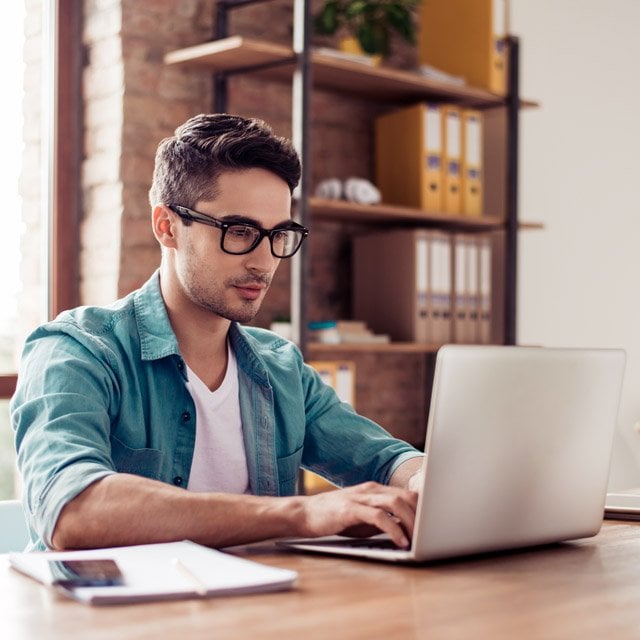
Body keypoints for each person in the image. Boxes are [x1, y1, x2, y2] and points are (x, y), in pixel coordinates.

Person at [11, 113, 423, 553]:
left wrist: (426, 480)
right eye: (240, 231)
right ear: (167, 226)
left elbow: (385, 459)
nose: (264, 262)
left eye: (279, 235)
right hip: (115, 618)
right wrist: (302, 514)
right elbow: (73, 511)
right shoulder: (75, 351)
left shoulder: (280, 366)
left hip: (257, 611)